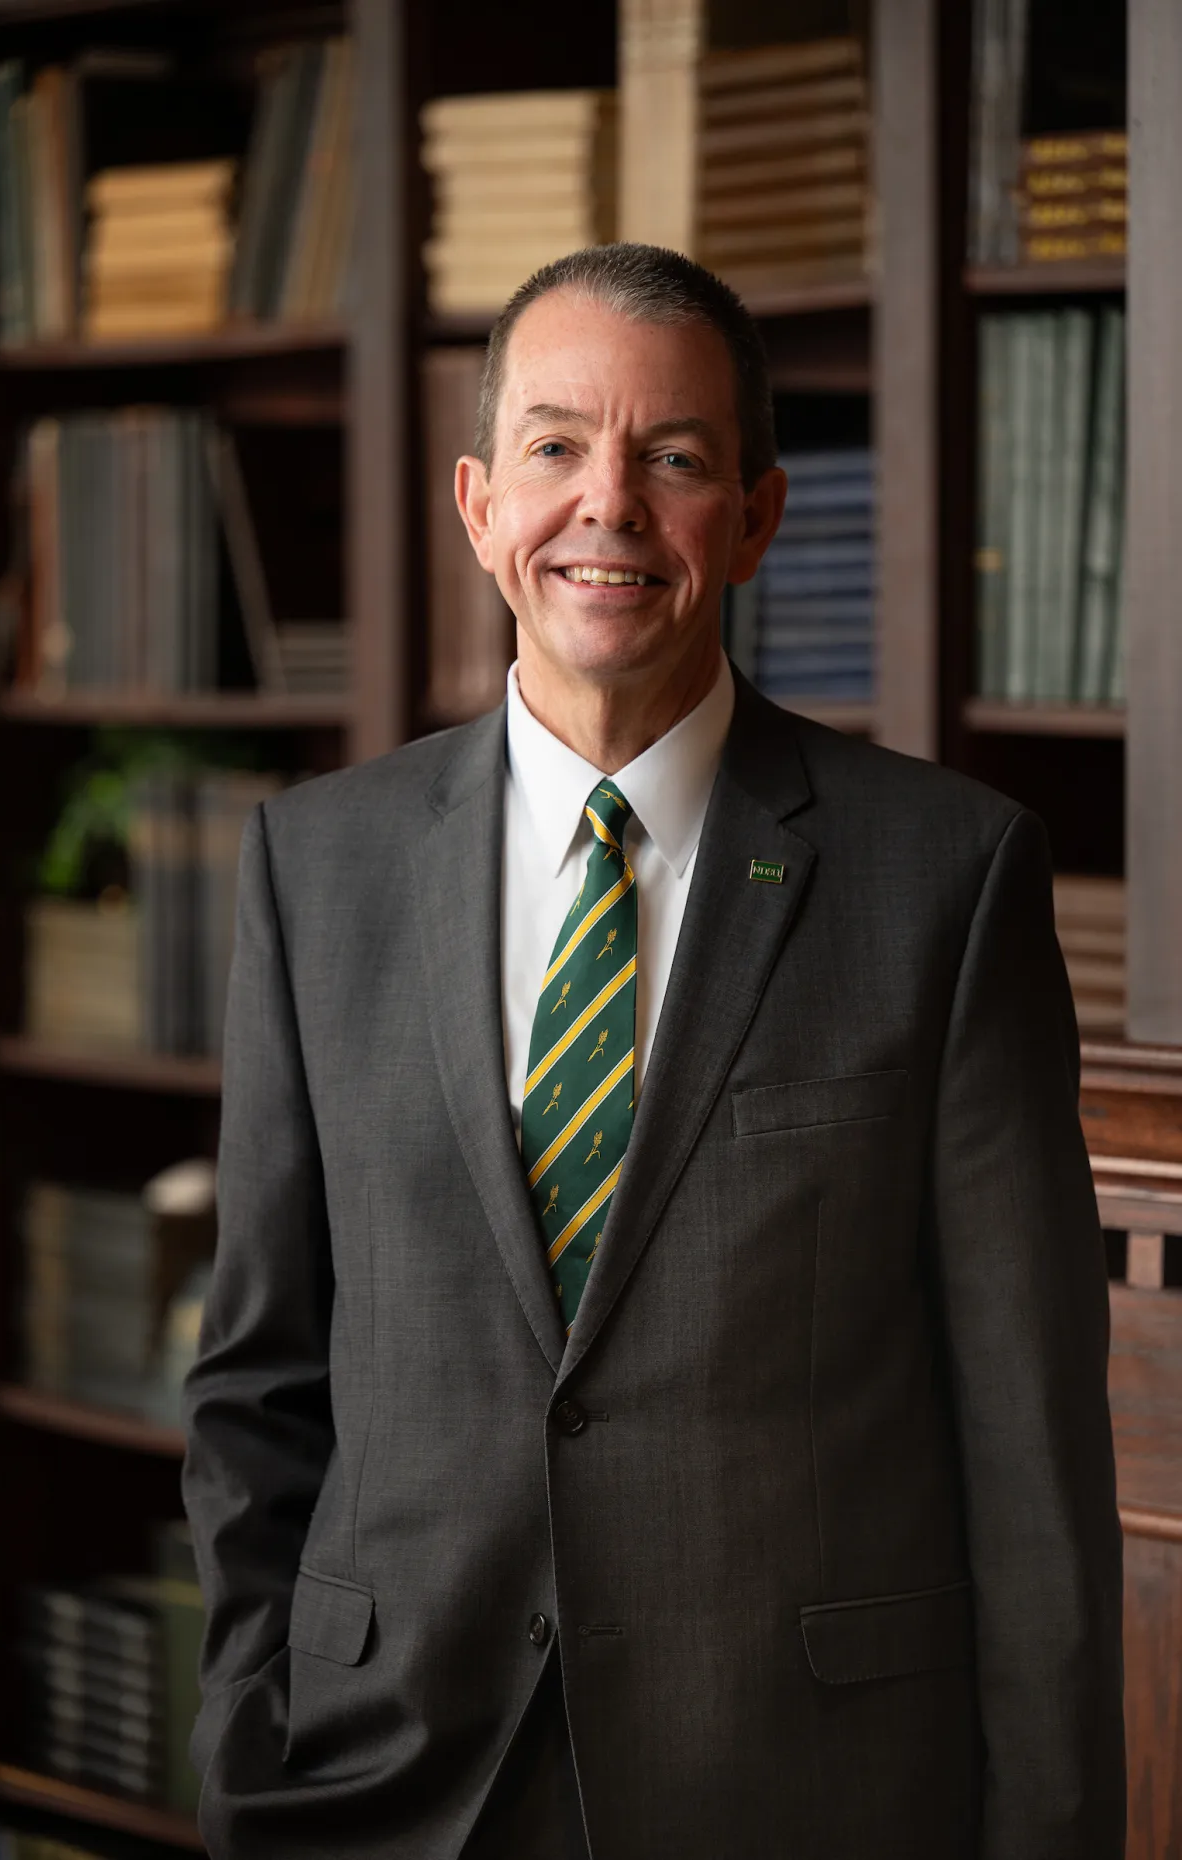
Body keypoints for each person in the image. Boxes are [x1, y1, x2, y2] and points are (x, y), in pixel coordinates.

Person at [182, 243, 1124, 1860]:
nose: (606, 504)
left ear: (754, 514)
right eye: (555, 448)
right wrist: (248, 1735)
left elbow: (1029, 1451)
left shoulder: (947, 880)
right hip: (379, 1782)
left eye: (673, 457)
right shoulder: (312, 868)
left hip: (800, 1791)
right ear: (479, 505)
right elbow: (262, 1379)